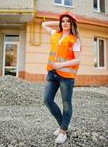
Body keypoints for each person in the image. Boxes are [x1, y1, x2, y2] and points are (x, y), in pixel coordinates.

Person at [42, 11, 81, 144]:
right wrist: (58, 22)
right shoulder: (55, 34)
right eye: (63, 21)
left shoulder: (74, 39)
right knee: (47, 100)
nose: (65, 23)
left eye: (68, 21)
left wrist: (61, 64)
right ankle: (63, 125)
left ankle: (63, 131)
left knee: (66, 104)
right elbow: (44, 24)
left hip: (66, 76)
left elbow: (78, 60)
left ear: (72, 24)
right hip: (52, 73)